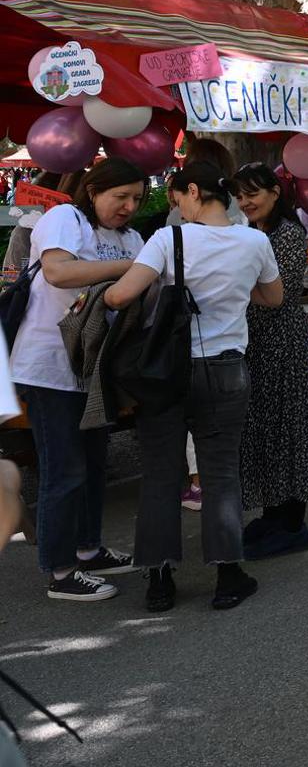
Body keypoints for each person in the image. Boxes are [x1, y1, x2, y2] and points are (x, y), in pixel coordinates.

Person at [105, 164, 284, 612]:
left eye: (175, 200)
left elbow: (120, 296)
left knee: (162, 474)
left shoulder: (169, 240)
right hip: (226, 369)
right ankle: (227, 576)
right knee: (221, 475)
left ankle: (159, 581)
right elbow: (274, 297)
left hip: (167, 372)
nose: (175, 209)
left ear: (192, 191)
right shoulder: (256, 241)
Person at [11, 158, 147, 602]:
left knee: (91, 465)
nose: (128, 206)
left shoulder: (129, 237)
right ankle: (60, 571)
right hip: (49, 365)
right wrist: (129, 267)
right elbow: (58, 272)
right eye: (120, 196)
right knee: (63, 469)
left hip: (96, 370)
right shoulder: (64, 218)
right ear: (94, 190)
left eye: (137, 199)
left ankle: (88, 551)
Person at [232, 163, 308, 560]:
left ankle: (292, 524)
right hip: (257, 344)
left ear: (274, 194)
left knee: (289, 430)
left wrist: (227, 285)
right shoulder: (253, 234)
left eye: (252, 193)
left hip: (284, 344)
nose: (244, 201)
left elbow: (276, 293)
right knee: (266, 429)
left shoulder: (287, 233)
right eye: (239, 195)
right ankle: (272, 513)